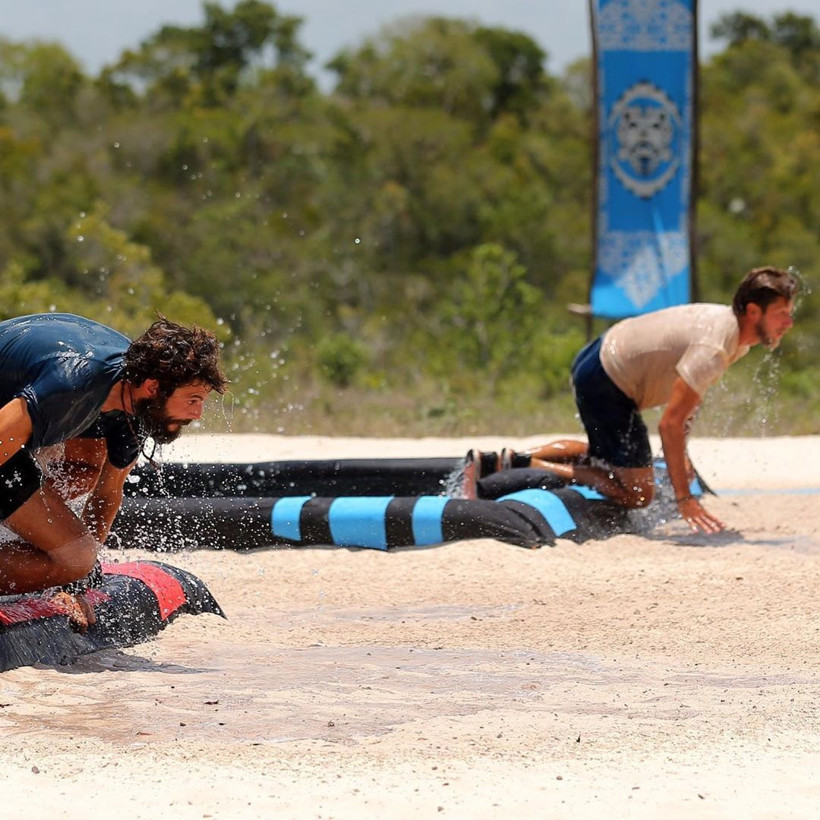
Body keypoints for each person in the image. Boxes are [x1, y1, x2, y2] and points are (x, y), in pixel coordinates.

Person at [473, 267, 800, 535]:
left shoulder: (733, 332)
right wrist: (684, 498)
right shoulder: (715, 346)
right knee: (639, 493)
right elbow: (670, 424)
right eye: (782, 314)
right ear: (754, 311)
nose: (789, 323)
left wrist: (682, 457)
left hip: (599, 357)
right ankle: (533, 465)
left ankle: (512, 458)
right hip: (606, 380)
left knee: (606, 460)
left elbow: (689, 401)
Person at [0, 313, 227, 629]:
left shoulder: (134, 405)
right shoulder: (72, 381)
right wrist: (76, 563)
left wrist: (76, 584)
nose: (198, 413)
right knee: (76, 556)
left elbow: (107, 495)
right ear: (153, 387)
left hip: (19, 408)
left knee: (78, 489)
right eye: (193, 399)